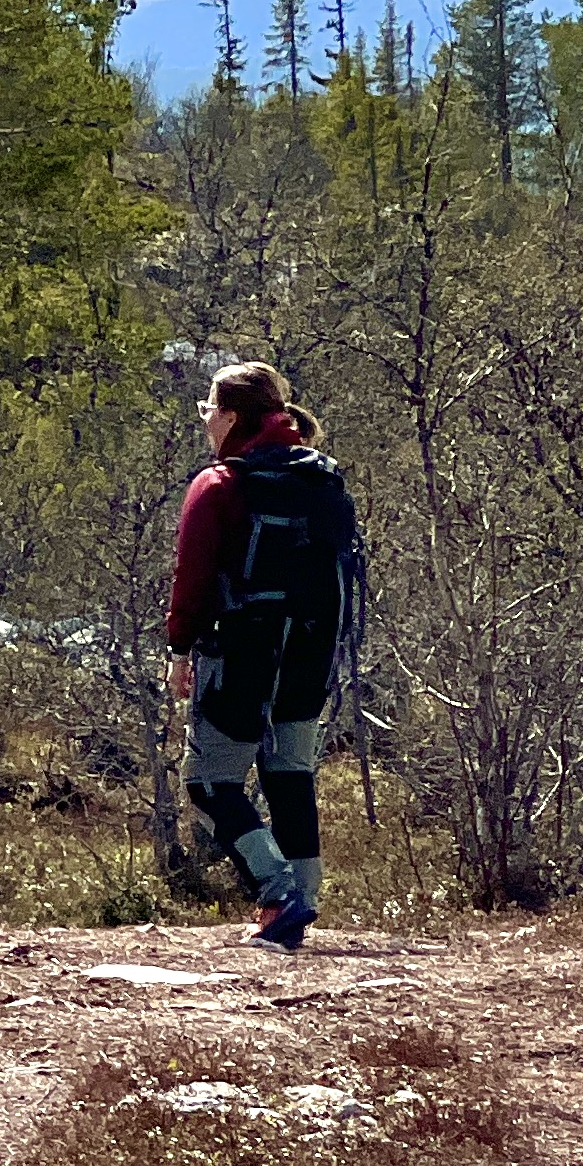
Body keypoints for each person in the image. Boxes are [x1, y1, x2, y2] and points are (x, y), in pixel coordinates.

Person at [167, 359, 358, 950]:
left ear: (229, 415)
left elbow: (192, 578)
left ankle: (278, 894)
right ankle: (306, 893)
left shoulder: (220, 484)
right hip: (311, 653)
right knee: (290, 773)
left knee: (209, 781)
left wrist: (178, 649)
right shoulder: (322, 479)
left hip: (241, 653)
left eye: (207, 408)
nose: (204, 420)